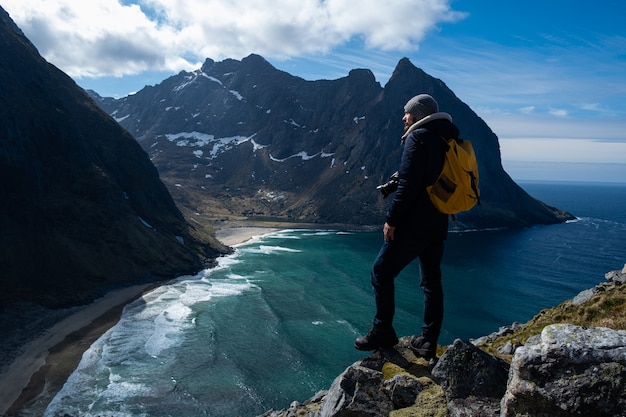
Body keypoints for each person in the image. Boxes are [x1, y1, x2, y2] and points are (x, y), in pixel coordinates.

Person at [354, 93, 459, 358]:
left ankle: (383, 330)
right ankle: (428, 340)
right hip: (439, 220)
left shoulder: (418, 137)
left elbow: (410, 186)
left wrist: (392, 220)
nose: (404, 117)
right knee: (432, 282)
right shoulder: (446, 138)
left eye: (407, 112)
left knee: (381, 272)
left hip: (415, 222)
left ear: (419, 114)